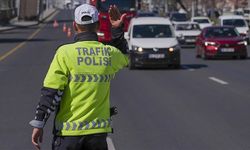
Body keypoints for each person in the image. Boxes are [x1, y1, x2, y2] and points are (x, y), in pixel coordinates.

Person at [29, 4, 128, 150]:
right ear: (98, 25)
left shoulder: (65, 53)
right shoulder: (107, 53)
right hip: (97, 136)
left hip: (68, 135)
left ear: (75, 25)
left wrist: (39, 123)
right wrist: (117, 29)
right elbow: (124, 56)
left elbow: (51, 91)